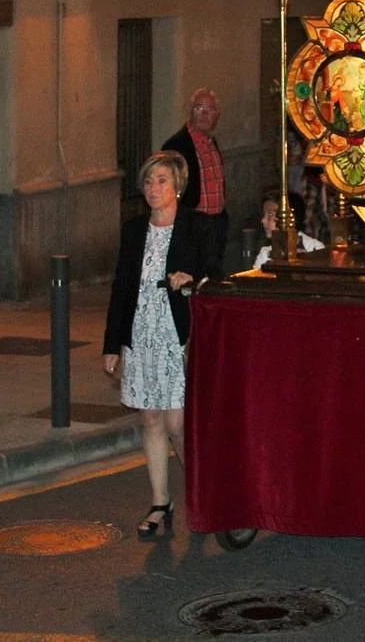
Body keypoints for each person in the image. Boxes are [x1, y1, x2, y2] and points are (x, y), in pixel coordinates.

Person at [102, 151, 221, 537]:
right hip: (141, 331)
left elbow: (216, 277)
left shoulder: (198, 227)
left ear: (178, 187)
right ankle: (160, 502)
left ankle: (202, 495)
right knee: (150, 418)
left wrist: (191, 281)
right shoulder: (135, 229)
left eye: (162, 181)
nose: (154, 188)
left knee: (177, 422)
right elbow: (122, 287)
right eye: (149, 181)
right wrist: (112, 344)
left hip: (178, 333)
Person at [161, 87, 228, 264]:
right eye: (199, 108)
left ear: (217, 115)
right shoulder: (177, 145)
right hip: (193, 222)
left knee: (212, 271)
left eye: (210, 110)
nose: (204, 115)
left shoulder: (211, 141)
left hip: (216, 222)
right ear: (190, 111)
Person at [252, 192, 324, 269]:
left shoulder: (315, 248)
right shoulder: (265, 253)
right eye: (264, 215)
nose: (263, 220)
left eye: (270, 215)